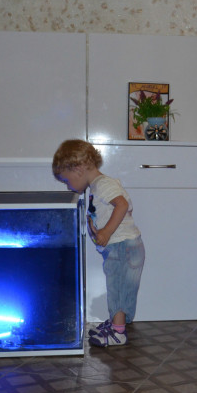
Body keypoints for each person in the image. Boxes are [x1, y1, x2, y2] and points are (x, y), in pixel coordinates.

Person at [52, 139, 145, 347]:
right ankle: (115, 324)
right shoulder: (98, 186)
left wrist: (106, 232)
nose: (68, 185)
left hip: (122, 246)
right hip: (120, 247)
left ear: (78, 169)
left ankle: (118, 333)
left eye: (66, 180)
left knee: (117, 289)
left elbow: (121, 205)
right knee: (117, 287)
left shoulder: (103, 185)